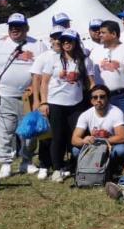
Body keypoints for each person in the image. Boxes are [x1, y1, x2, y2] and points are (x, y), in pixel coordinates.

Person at [0, 13, 48, 178]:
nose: (15, 29)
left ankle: (27, 161)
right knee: (5, 131)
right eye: (11, 26)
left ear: (27, 28)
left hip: (30, 98)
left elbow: (46, 70)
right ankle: (6, 163)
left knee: (30, 131)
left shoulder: (38, 45)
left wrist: (35, 89)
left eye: (18, 26)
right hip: (5, 96)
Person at [39, 28, 94, 182]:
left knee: (75, 136)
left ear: (75, 42)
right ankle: (57, 168)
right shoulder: (53, 59)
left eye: (69, 40)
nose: (66, 43)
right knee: (57, 137)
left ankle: (74, 166)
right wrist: (43, 102)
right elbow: (44, 83)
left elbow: (90, 82)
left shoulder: (84, 60)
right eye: (63, 41)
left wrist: (97, 97)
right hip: (56, 103)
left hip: (76, 104)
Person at [70, 84, 124, 176]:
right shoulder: (85, 115)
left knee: (121, 150)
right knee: (75, 150)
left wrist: (102, 141)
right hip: (94, 147)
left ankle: (113, 167)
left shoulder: (116, 112)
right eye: (95, 97)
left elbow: (122, 137)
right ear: (91, 101)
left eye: (102, 97)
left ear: (108, 98)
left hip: (111, 147)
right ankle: (88, 168)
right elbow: (74, 139)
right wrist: (83, 140)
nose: (98, 100)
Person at [30, 25, 63, 180]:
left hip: (63, 102)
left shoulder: (67, 54)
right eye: (55, 37)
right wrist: (38, 100)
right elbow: (36, 79)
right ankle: (44, 164)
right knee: (45, 134)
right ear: (51, 39)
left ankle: (59, 164)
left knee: (60, 135)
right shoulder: (44, 56)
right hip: (47, 101)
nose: (58, 40)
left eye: (60, 37)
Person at [91, 20, 124, 116]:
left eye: (103, 33)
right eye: (100, 32)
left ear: (113, 34)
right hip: (101, 97)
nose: (99, 35)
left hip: (123, 96)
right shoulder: (95, 52)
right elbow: (91, 75)